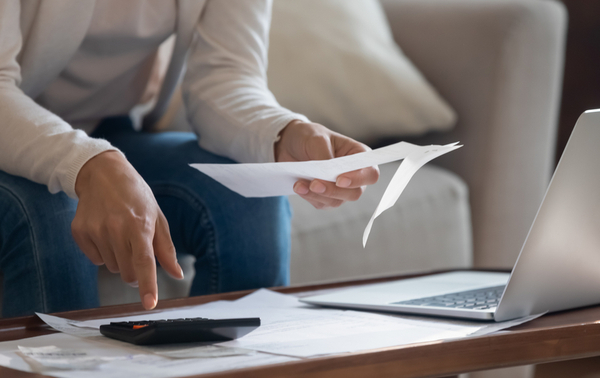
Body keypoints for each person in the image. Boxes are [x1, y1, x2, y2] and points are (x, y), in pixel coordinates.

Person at [0, 0, 379, 318]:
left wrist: (283, 134)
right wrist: (85, 164)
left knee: (247, 205)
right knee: (51, 212)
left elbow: (225, 75)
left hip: (108, 129)